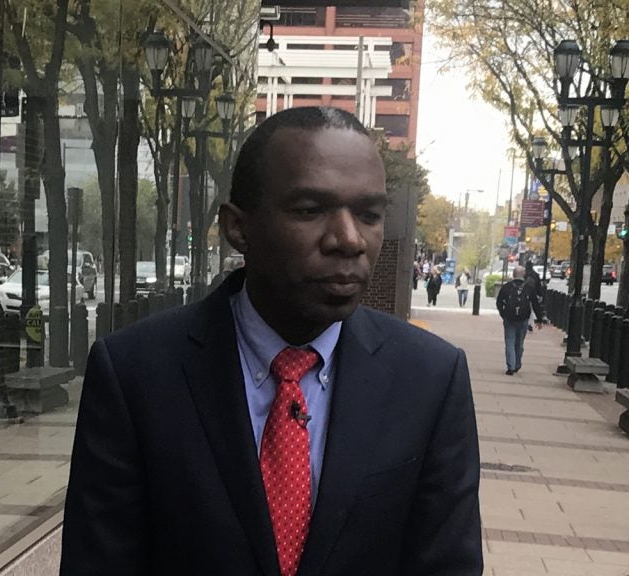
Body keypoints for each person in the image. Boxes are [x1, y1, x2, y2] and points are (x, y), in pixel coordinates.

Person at [60, 107, 482, 576]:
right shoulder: (135, 374)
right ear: (237, 228)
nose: (348, 239)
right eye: (309, 210)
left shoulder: (430, 380)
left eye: (368, 214)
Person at [496, 265, 545, 375]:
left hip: (509, 318)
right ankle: (517, 363)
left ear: (513, 275)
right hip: (523, 319)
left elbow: (499, 302)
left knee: (509, 341)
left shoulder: (507, 287)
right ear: (523, 275)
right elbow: (535, 304)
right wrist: (539, 319)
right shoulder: (529, 288)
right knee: (519, 343)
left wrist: (503, 314)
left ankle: (511, 366)